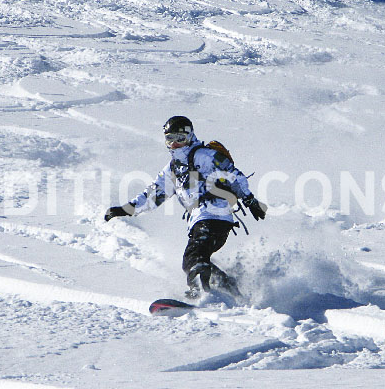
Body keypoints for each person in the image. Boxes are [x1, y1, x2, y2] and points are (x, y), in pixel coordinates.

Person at [105, 115, 267, 299]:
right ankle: (230, 287)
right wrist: (126, 209)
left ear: (190, 136)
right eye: (170, 139)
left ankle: (200, 293)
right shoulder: (173, 169)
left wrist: (249, 200)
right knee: (195, 259)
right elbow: (153, 195)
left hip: (213, 217)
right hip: (203, 221)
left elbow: (234, 175)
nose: (175, 144)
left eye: (180, 138)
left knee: (193, 257)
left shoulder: (203, 156)